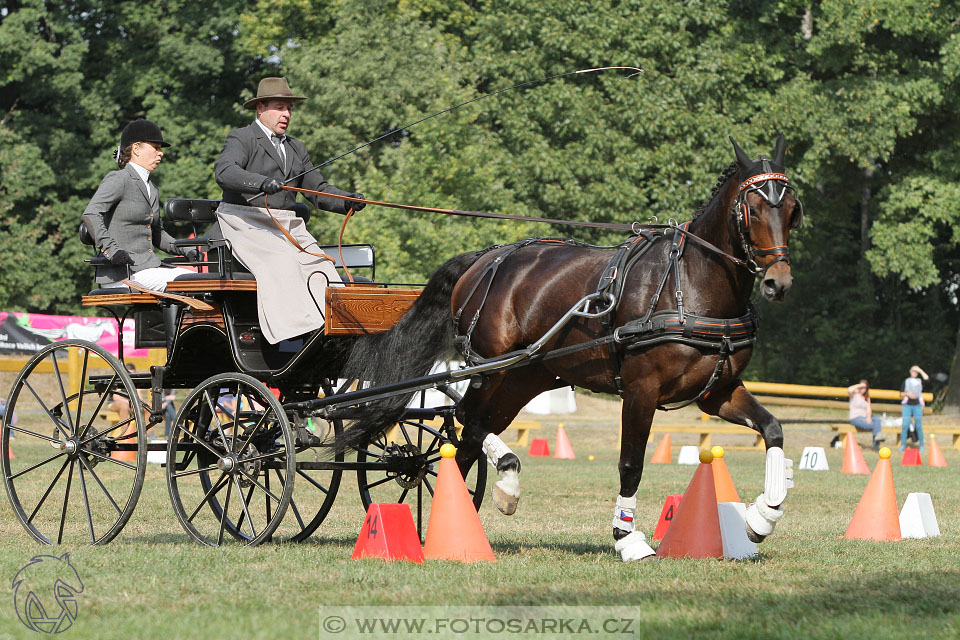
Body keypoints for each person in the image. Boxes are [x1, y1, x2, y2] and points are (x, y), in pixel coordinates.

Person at [214, 77, 365, 344]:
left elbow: (316, 188)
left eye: (290, 109)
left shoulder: (296, 147)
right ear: (260, 108)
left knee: (321, 264)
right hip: (246, 221)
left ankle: (333, 330)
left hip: (287, 224)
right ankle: (295, 334)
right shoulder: (242, 137)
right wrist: (261, 183)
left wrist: (347, 200)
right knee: (283, 260)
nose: (287, 114)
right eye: (280, 107)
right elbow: (225, 172)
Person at [82, 119, 199, 291]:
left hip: (147, 270)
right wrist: (112, 250)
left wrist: (185, 249)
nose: (161, 153)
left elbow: (158, 234)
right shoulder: (119, 179)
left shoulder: (152, 188)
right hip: (121, 273)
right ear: (136, 149)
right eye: (156, 147)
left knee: (201, 280)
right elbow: (90, 214)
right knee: (194, 282)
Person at [846, 380, 886, 451]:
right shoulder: (854, 395)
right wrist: (859, 385)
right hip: (856, 418)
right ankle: (876, 446)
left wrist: (868, 417)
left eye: (864, 387)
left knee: (877, 419)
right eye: (861, 387)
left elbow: (869, 409)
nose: (862, 389)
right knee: (876, 426)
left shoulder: (867, 398)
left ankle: (877, 440)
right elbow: (849, 389)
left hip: (865, 418)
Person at [900, 365, 929, 452]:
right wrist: (908, 394)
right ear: (910, 371)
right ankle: (902, 445)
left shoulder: (920, 381)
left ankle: (921, 446)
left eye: (916, 371)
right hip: (907, 405)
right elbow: (901, 393)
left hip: (917, 405)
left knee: (918, 426)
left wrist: (920, 370)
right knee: (905, 425)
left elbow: (927, 379)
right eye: (913, 371)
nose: (915, 373)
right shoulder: (906, 381)